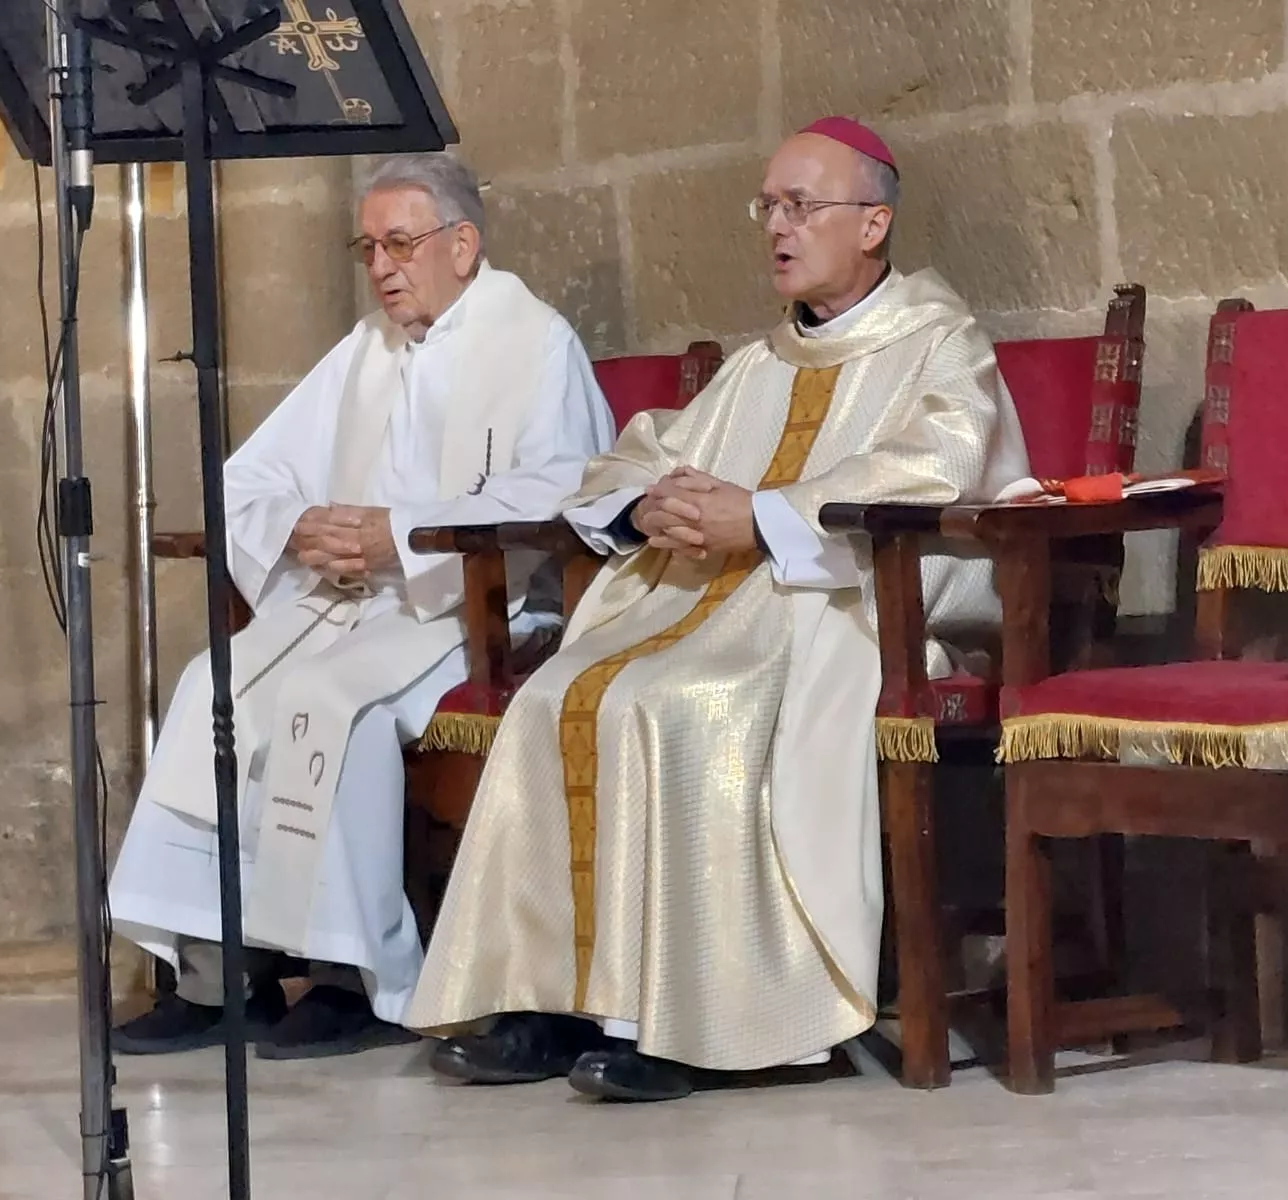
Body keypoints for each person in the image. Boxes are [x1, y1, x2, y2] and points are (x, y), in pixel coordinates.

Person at [411, 118, 1031, 1100]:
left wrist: (765, 514)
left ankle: (694, 1022)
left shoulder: (940, 347)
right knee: (555, 700)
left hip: (859, 611)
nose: (776, 227)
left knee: (687, 703)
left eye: (800, 205)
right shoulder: (763, 360)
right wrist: (641, 502)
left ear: (873, 223)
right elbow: (641, 448)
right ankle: (550, 1001)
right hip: (715, 605)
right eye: (767, 206)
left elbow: (939, 473)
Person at [108, 152, 614, 1059]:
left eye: (399, 242)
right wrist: (300, 528)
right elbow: (249, 478)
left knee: (332, 706)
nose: (380, 265)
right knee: (209, 692)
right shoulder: (364, 351)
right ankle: (222, 971)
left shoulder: (535, 342)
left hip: (476, 616)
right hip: (350, 605)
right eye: (368, 245)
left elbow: (564, 493)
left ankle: (353, 978)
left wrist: (405, 533)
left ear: (463, 246)